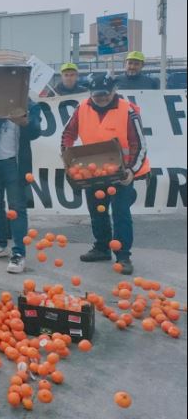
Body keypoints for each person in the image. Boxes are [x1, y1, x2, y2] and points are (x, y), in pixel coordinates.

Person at [61, 74, 149, 276]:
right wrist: (68, 158)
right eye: (97, 95)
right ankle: (102, 247)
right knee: (97, 210)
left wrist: (131, 170)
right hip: (93, 171)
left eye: (105, 95)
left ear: (114, 90)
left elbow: (139, 143)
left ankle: (123, 256)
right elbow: (68, 134)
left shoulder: (127, 110)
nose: (101, 98)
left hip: (121, 171)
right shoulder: (82, 108)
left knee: (120, 213)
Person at [0, 66, 43, 273]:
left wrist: (24, 122)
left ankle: (19, 253)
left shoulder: (31, 105)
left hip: (15, 164)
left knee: (16, 209)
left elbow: (36, 131)